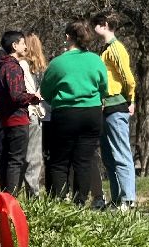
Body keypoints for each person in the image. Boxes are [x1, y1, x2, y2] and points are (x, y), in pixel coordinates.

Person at [40, 21, 108, 205]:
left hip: (66, 114)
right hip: (92, 113)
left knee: (60, 160)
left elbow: (45, 91)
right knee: (84, 160)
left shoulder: (57, 63)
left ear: (67, 37)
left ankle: (61, 201)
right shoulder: (95, 60)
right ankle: (80, 201)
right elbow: (104, 87)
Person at [92, 11, 137, 210]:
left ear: (104, 25)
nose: (92, 29)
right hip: (104, 107)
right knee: (109, 156)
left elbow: (127, 77)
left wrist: (131, 99)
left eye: (95, 24)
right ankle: (117, 198)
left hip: (117, 105)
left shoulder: (116, 48)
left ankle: (129, 199)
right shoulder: (105, 50)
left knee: (121, 153)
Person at [0, 29, 41, 192]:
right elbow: (16, 95)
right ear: (14, 45)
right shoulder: (11, 67)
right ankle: (11, 199)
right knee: (16, 160)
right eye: (22, 43)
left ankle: (7, 197)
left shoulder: (3, 67)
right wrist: (34, 97)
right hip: (17, 120)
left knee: (9, 159)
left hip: (8, 120)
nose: (25, 47)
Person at [17, 33, 48, 196]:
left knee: (27, 156)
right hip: (34, 113)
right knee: (33, 156)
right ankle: (32, 193)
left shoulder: (23, 66)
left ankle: (26, 192)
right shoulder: (38, 69)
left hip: (28, 114)